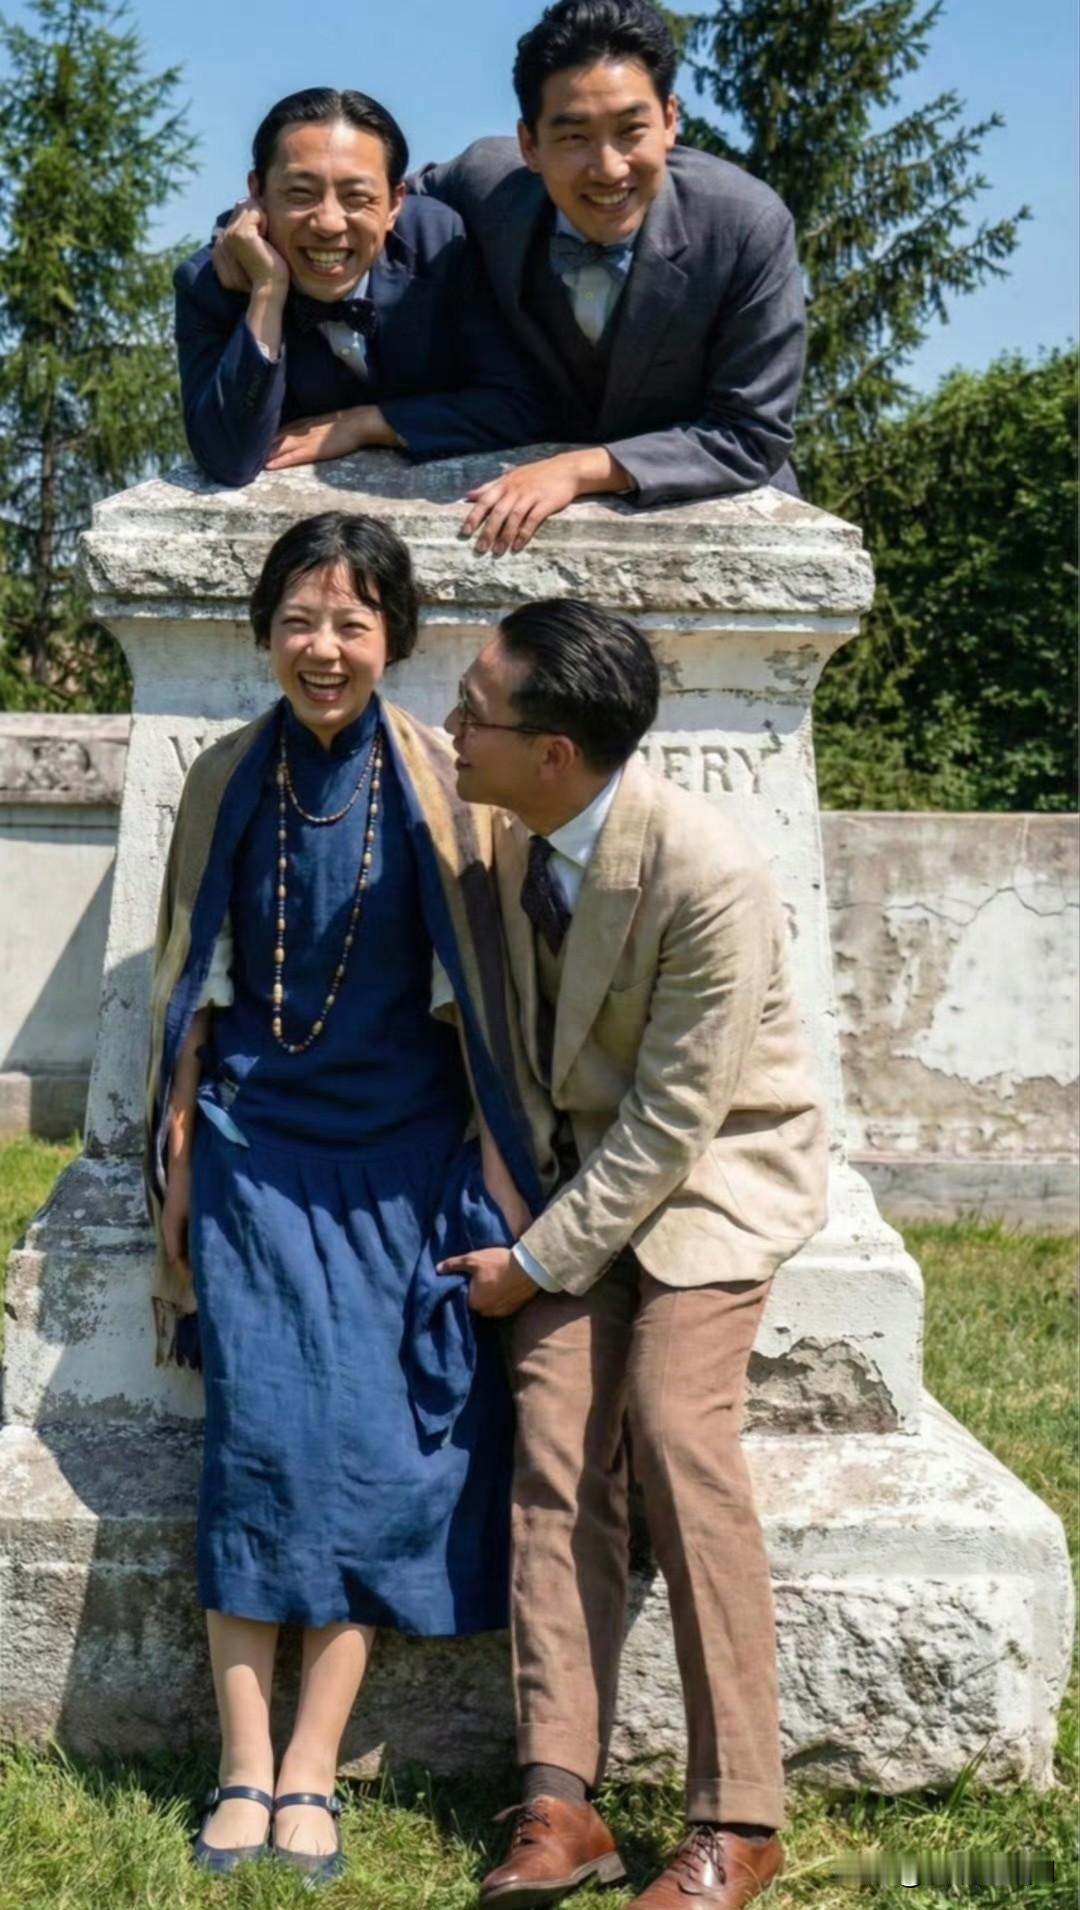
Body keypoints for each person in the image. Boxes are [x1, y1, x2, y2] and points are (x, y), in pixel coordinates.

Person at [146, 512, 543, 1884]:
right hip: (256, 1153)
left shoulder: (442, 780)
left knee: (374, 1455)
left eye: (353, 624)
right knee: (257, 1443)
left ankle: (314, 1765)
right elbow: (188, 986)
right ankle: (241, 1762)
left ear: (395, 640)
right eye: (300, 621)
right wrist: (178, 1151)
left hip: (403, 1162)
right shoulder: (224, 777)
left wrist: (504, 1180)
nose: (324, 649)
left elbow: (486, 1001)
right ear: (266, 631)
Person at [439, 599, 828, 1910]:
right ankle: (562, 1800)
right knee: (554, 1428)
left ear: (554, 752)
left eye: (474, 708)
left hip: (713, 1175)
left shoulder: (708, 873)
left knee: (672, 1422)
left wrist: (531, 1262)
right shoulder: (509, 826)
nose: (452, 725)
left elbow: (673, 1121)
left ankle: (739, 1818)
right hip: (576, 1181)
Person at [412, 0, 806, 554]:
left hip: (713, 520)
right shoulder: (484, 183)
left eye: (630, 130)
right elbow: (376, 209)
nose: (609, 168)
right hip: (508, 517)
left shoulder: (746, 224)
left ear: (670, 120)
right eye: (574, 137)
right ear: (529, 145)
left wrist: (580, 469)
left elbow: (750, 432)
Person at [176, 88, 549, 486]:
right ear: (256, 194)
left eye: (356, 197)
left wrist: (370, 424)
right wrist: (268, 290)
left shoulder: (441, 245)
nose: (328, 223)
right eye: (300, 193)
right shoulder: (208, 282)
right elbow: (228, 457)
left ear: (394, 204)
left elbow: (519, 404)